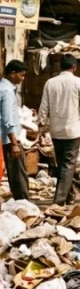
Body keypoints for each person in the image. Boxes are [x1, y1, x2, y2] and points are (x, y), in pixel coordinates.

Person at [39, 54, 80, 206]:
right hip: (73, 131)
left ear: (60, 66)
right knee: (68, 164)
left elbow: (44, 107)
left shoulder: (50, 83)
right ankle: (59, 200)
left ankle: (70, 195)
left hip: (56, 131)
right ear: (74, 67)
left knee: (63, 164)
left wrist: (42, 126)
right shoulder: (79, 83)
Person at [0, 61, 28, 201]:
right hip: (9, 140)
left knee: (16, 176)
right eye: (21, 75)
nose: (23, 79)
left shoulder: (3, 88)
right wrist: (14, 143)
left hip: (6, 139)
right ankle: (24, 205)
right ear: (12, 74)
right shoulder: (7, 91)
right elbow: (7, 119)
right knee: (19, 176)